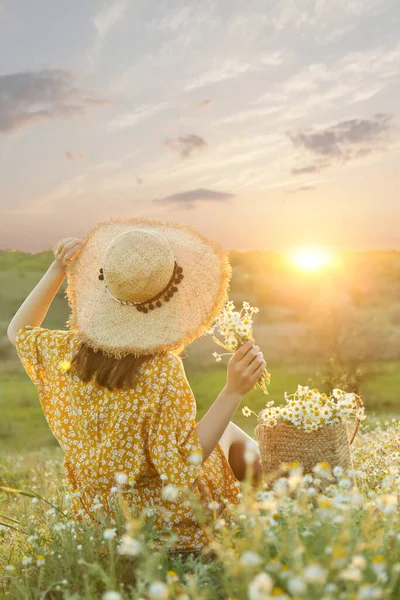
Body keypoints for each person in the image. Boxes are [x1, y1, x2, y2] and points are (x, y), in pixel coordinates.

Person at [8, 218, 265, 550]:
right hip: (167, 525)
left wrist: (57, 269)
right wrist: (233, 391)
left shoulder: (70, 353)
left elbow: (18, 332)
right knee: (238, 440)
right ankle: (267, 515)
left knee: (228, 434)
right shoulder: (161, 370)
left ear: (105, 288)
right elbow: (183, 464)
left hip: (99, 519)